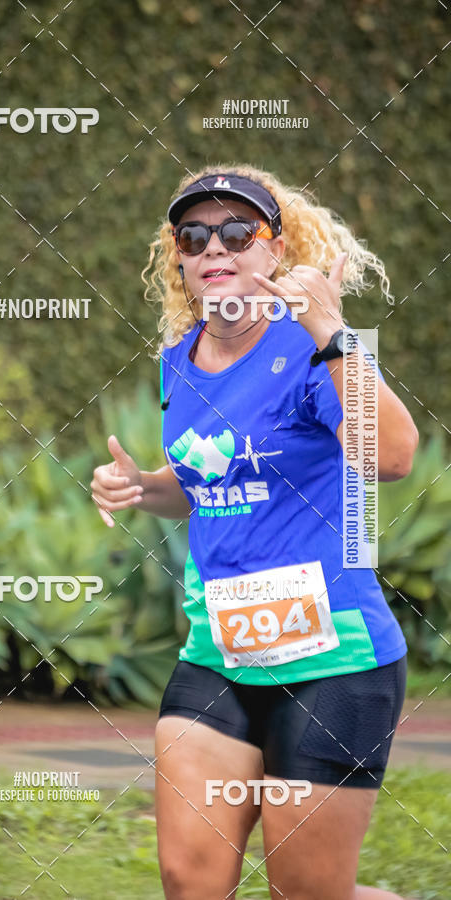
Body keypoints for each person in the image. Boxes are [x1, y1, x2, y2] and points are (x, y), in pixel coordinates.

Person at [90, 165, 419, 900]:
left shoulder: (310, 350)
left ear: (274, 251)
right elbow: (212, 477)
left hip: (336, 662)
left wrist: (330, 328)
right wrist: (144, 486)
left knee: (307, 893)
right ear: (178, 255)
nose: (217, 246)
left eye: (239, 232)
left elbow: (392, 457)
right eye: (195, 234)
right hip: (221, 653)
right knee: (190, 881)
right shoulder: (181, 361)